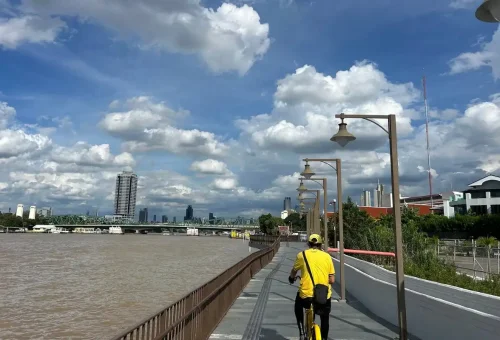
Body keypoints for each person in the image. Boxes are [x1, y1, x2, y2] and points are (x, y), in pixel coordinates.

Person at [288, 234, 335, 340]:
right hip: (323, 295)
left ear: (308, 244)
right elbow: (332, 280)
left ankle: (301, 332)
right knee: (325, 317)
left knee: (298, 305)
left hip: (306, 295)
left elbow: (294, 272)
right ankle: (324, 338)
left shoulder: (302, 255)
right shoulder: (327, 256)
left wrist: (291, 278)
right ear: (320, 244)